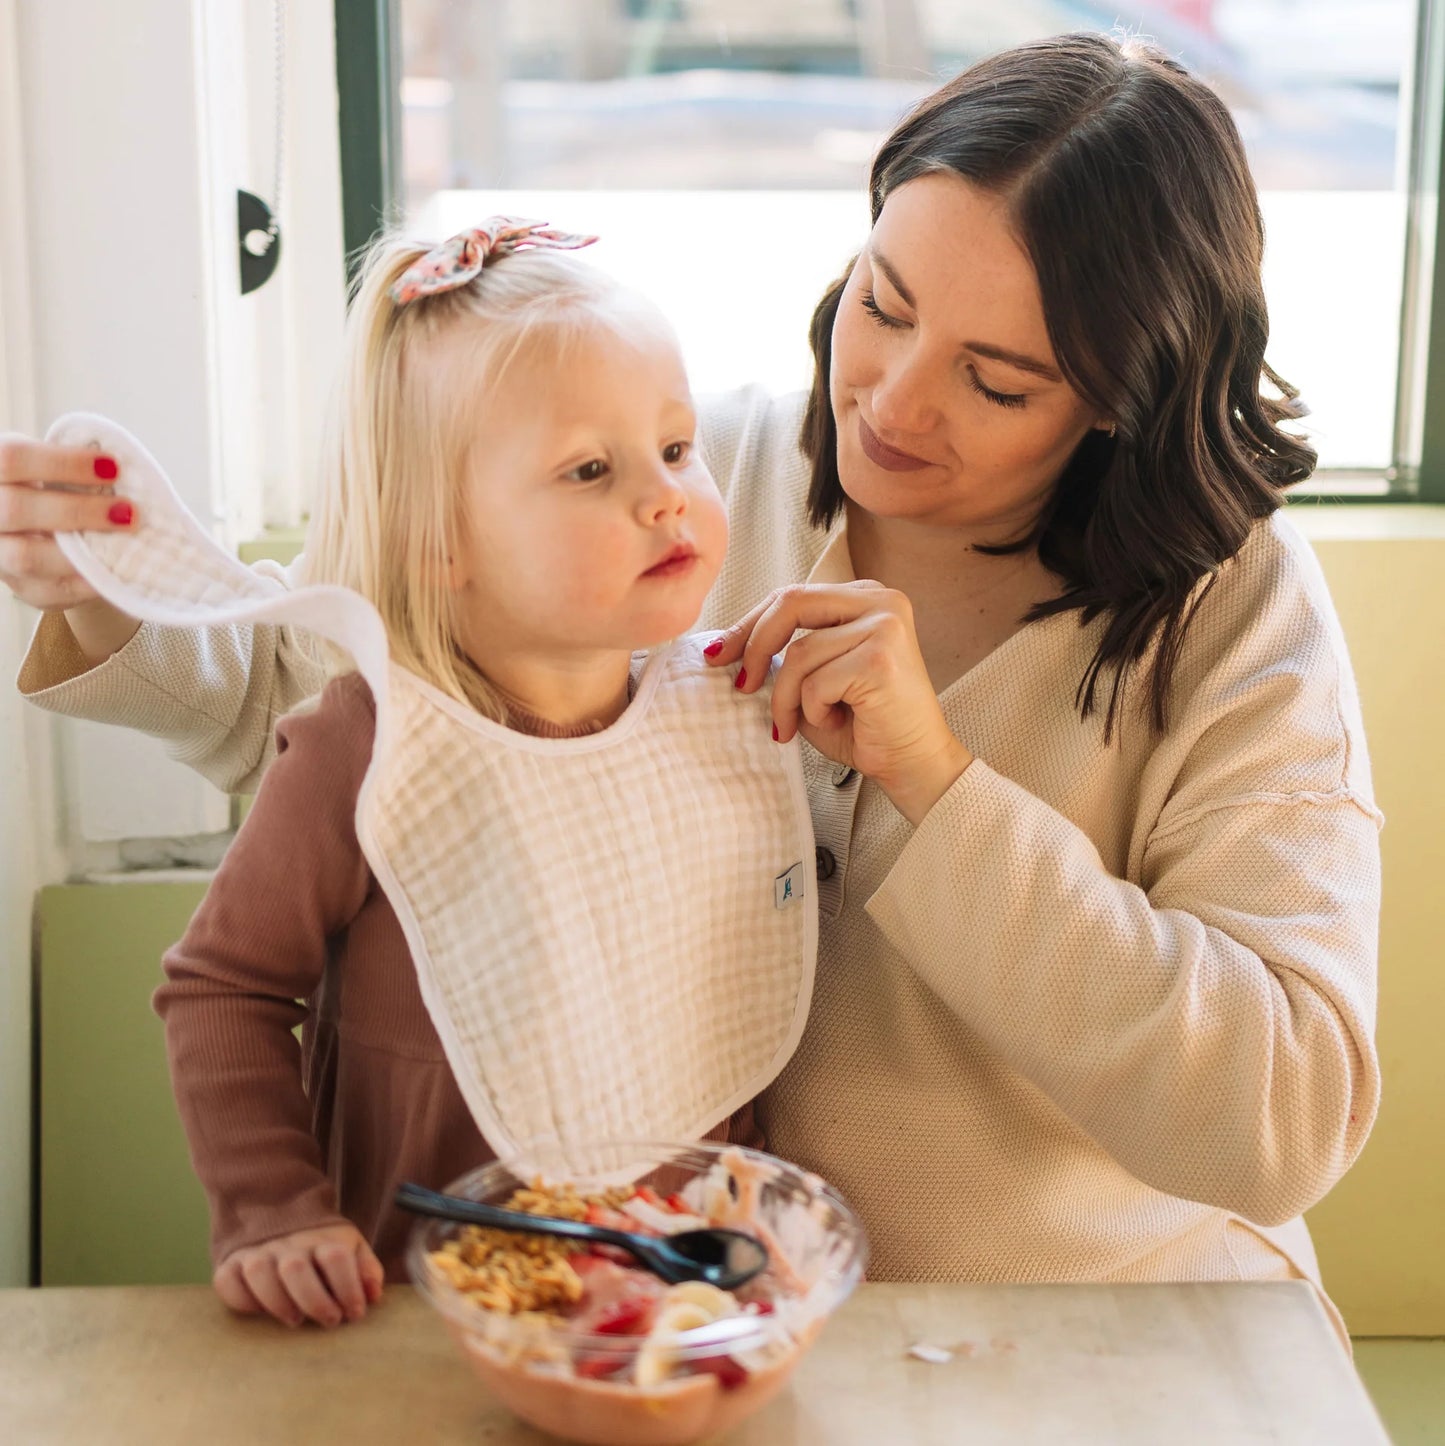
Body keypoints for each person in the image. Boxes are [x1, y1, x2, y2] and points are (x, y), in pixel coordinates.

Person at [4, 34, 1381, 1336]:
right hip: (688, 1313)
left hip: (1104, 1337)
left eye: (997, 382)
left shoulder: (1232, 610)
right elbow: (359, 720)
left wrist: (937, 786)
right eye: (881, 305)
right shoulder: (685, 471)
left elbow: (1280, 1119)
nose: (890, 405)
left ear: (1121, 398)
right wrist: (128, 585)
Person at [24, 220, 827, 1330]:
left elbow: (707, 1019)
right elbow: (223, 989)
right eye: (591, 470)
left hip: (679, 1316)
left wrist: (755, 1239)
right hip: (416, 1314)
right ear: (439, 544)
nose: (664, 496)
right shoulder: (369, 745)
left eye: (678, 449)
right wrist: (271, 1211)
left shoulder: (731, 712)